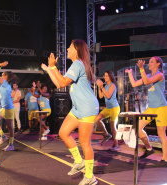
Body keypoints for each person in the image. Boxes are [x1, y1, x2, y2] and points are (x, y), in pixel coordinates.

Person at [41, 39, 99, 185]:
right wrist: (50, 69)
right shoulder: (77, 65)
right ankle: (79, 161)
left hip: (87, 107)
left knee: (85, 142)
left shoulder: (78, 64)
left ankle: (90, 177)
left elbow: (62, 83)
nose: (67, 49)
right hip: (78, 107)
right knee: (63, 133)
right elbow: (59, 83)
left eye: (70, 47)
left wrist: (53, 67)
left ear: (77, 50)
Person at [125, 56, 167, 167]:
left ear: (158, 64)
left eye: (152, 61)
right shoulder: (147, 75)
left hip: (161, 107)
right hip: (151, 107)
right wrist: (130, 73)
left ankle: (165, 159)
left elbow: (147, 81)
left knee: (161, 133)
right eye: (149, 62)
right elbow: (134, 84)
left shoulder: (160, 75)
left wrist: (141, 68)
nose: (150, 63)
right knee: (138, 127)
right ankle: (149, 148)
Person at [0, 63, 18, 151]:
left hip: (8, 108)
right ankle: (3, 136)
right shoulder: (3, 84)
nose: (1, 75)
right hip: (3, 108)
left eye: (3, 75)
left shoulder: (5, 83)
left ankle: (11, 145)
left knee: (10, 127)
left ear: (7, 77)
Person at [96, 71, 120, 151]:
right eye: (104, 75)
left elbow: (108, 96)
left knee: (113, 126)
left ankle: (116, 145)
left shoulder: (112, 85)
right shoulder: (105, 86)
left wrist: (102, 87)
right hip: (108, 108)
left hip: (114, 108)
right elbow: (100, 96)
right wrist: (100, 87)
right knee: (97, 119)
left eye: (106, 76)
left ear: (110, 77)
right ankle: (106, 134)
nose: (104, 77)